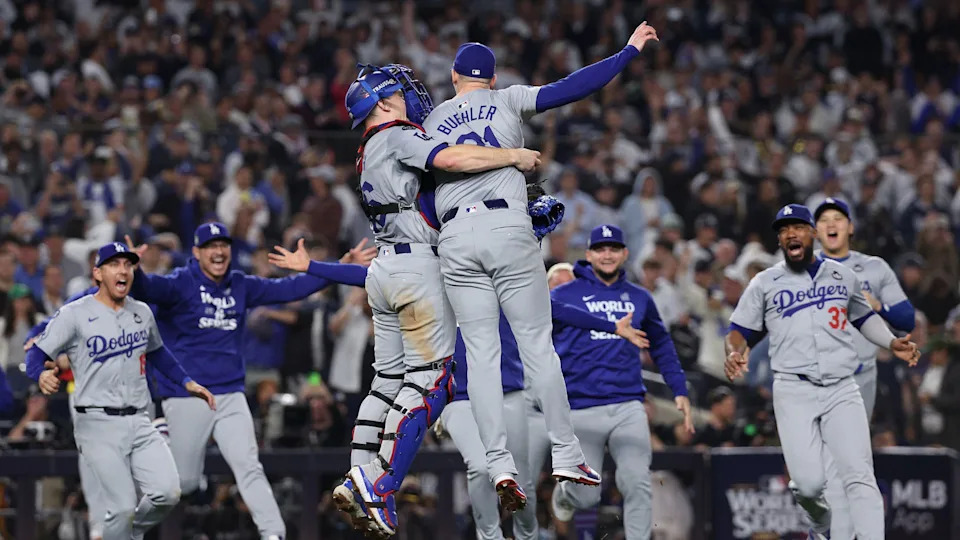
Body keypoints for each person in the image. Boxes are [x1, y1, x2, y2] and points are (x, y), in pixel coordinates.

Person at [269, 239, 650, 540]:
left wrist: (612, 326)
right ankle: (488, 535)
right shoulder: (437, 276)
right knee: (482, 466)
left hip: (509, 391)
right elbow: (373, 276)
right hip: (459, 393)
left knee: (522, 482)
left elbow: (554, 309)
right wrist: (315, 268)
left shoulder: (502, 280)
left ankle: (527, 535)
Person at [421, 22, 660, 501]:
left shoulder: (431, 123)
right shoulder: (507, 98)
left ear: (453, 77)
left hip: (454, 236)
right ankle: (568, 454)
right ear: (490, 79)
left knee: (482, 354)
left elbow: (423, 200)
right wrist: (628, 51)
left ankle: (497, 462)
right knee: (536, 345)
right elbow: (574, 87)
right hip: (507, 227)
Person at [332, 62, 540, 536]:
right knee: (433, 384)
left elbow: (423, 201)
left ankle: (357, 474)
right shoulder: (397, 133)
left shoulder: (368, 148)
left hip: (385, 269)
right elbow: (448, 161)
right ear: (383, 102)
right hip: (416, 268)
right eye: (402, 92)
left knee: (387, 383)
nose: (412, 97)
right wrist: (513, 156)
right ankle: (380, 486)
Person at [123, 223, 374, 540]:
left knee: (249, 466)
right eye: (211, 246)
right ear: (197, 252)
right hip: (189, 394)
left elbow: (291, 289)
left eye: (224, 245)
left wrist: (339, 267)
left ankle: (274, 535)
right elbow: (145, 289)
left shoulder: (239, 284)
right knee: (183, 484)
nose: (219, 251)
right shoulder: (179, 284)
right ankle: (130, 528)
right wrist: (133, 268)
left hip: (230, 393)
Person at [725, 204, 920, 540]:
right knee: (809, 485)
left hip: (842, 387)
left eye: (798, 226)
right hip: (793, 390)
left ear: (811, 232)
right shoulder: (765, 282)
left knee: (860, 475)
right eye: (784, 229)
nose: (791, 233)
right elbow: (740, 329)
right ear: (780, 239)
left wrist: (891, 343)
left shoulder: (842, 275)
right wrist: (734, 351)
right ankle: (820, 524)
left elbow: (862, 316)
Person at [26, 242, 215, 540]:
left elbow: (158, 352)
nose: (123, 270)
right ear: (98, 274)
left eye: (128, 264)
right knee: (122, 506)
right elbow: (36, 353)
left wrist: (186, 382)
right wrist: (40, 375)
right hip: (96, 421)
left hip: (139, 420)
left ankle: (126, 535)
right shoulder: (75, 312)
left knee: (167, 493)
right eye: (114, 264)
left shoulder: (141, 312)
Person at [529, 225, 693, 540]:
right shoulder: (562, 295)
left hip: (627, 404)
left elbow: (662, 345)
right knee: (587, 496)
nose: (607, 254)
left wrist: (680, 390)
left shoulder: (639, 297)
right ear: (588, 255)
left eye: (613, 248)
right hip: (579, 407)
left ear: (624, 254)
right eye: (601, 249)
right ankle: (564, 495)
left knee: (637, 482)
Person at [813, 197, 916, 539]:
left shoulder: (874, 267)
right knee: (822, 468)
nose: (831, 224)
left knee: (851, 463)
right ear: (815, 230)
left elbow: (907, 317)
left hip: (861, 377)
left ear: (850, 227)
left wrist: (879, 305)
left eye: (838, 218)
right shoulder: (801, 268)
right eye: (824, 219)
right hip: (816, 377)